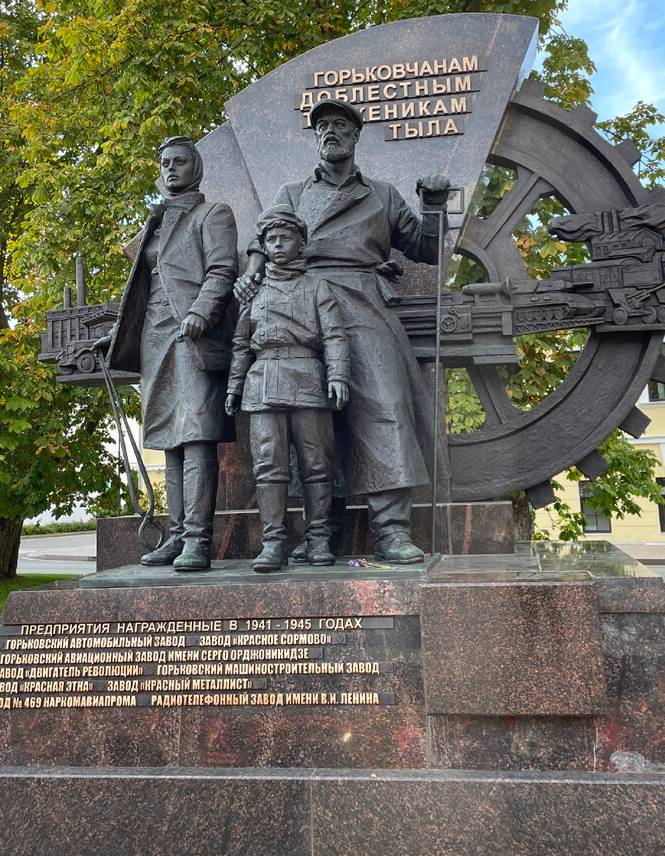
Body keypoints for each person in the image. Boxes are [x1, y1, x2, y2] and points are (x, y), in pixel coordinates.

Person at [235, 99, 450, 564]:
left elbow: (427, 250)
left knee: (385, 405)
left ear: (355, 137)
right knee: (310, 419)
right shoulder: (291, 192)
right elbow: (262, 238)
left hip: (365, 302)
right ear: (315, 139)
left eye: (339, 126)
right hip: (299, 300)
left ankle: (391, 531)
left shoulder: (383, 193)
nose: (329, 133)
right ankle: (321, 534)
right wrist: (254, 270)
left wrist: (433, 204)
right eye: (322, 127)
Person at [105, 135, 238, 571]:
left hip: (193, 334)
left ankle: (199, 539)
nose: (171, 168)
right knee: (168, 438)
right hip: (156, 336)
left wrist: (202, 311)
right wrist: (117, 334)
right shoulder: (154, 224)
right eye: (164, 163)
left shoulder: (212, 214)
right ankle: (178, 536)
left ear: (195, 169)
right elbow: (138, 291)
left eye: (180, 162)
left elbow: (223, 269)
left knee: (196, 432)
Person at [225, 204, 349, 572]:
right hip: (262, 384)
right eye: (271, 239)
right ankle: (274, 543)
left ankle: (319, 539)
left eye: (286, 238)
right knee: (269, 468)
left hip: (308, 381)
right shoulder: (253, 293)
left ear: (300, 242)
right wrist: (234, 386)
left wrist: (338, 376)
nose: (278, 245)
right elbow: (241, 344)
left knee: (316, 466)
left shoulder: (317, 287)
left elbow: (335, 336)